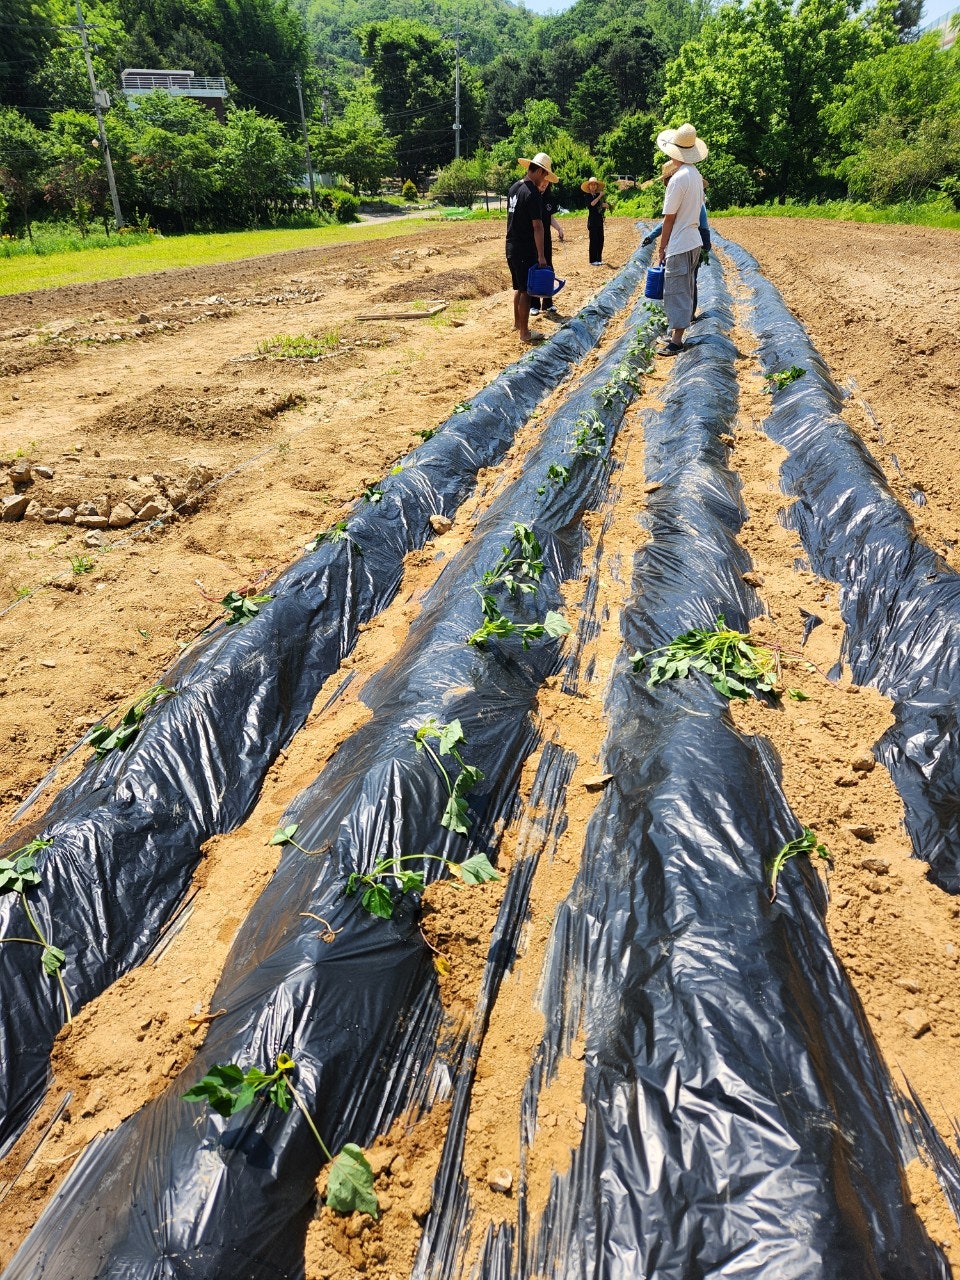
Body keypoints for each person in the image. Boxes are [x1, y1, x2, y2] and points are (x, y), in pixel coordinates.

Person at [653, 123, 708, 356]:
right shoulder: (695, 175)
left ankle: (676, 340)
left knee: (676, 290)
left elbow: (669, 219)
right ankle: (677, 331)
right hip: (693, 240)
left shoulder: (677, 180)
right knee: (685, 286)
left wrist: (662, 246)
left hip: (680, 241)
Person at [642, 160, 711, 320]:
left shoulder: (683, 191)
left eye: (666, 181)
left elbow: (669, 220)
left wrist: (657, 241)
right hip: (697, 237)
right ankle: (688, 314)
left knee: (687, 279)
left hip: (694, 236)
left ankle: (687, 316)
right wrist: (652, 236)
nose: (666, 185)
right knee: (689, 278)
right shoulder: (693, 191)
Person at [506, 152, 557, 344]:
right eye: (544, 175)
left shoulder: (514, 188)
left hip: (510, 245)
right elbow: (538, 226)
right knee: (526, 291)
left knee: (518, 288)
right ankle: (524, 333)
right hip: (524, 248)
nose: (544, 179)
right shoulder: (532, 193)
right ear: (539, 171)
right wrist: (542, 256)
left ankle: (518, 324)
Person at [531, 171, 564, 317]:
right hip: (532, 240)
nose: (544, 183)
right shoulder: (531, 196)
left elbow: (549, 218)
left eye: (547, 181)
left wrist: (559, 228)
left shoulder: (549, 199)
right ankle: (534, 304)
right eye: (542, 180)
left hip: (546, 240)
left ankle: (548, 302)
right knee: (534, 268)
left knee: (548, 268)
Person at [581, 177, 608, 265]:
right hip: (592, 222)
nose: (593, 186)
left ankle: (599, 259)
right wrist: (600, 195)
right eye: (591, 185)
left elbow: (601, 205)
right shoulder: (587, 196)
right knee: (593, 241)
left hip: (599, 220)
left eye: (594, 184)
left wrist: (607, 205)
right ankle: (592, 260)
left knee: (601, 240)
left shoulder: (597, 196)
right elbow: (592, 204)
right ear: (589, 187)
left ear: (596, 186)